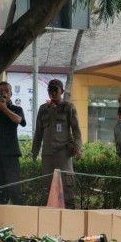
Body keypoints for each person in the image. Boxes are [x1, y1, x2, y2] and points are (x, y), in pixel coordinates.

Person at [32, 79, 83, 209]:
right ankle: (47, 218)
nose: (53, 93)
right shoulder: (43, 109)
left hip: (64, 152)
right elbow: (38, 132)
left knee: (67, 185)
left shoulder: (68, 107)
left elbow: (76, 129)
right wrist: (34, 151)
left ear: (61, 91)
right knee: (47, 186)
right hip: (47, 153)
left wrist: (78, 149)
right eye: (50, 90)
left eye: (56, 90)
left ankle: (70, 215)